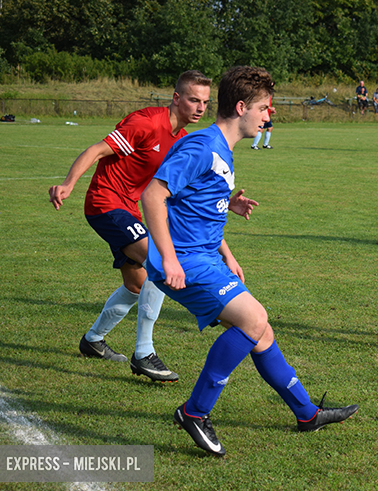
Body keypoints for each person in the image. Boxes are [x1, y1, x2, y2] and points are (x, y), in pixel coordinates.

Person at [141, 65, 358, 456]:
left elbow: (195, 207)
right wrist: (170, 260)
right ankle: (195, 411)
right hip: (186, 262)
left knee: (262, 333)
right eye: (264, 108)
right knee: (253, 319)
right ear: (241, 107)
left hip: (206, 257)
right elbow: (153, 196)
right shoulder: (202, 146)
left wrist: (228, 235)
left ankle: (306, 412)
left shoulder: (221, 150)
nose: (268, 116)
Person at [48, 70, 227, 383]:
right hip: (106, 203)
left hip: (132, 211)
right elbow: (96, 150)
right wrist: (67, 184)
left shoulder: (183, 141)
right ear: (176, 98)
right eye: (193, 99)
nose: (200, 107)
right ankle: (144, 353)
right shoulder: (145, 123)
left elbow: (186, 198)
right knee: (158, 261)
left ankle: (92, 341)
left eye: (205, 102)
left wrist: (225, 234)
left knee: (135, 285)